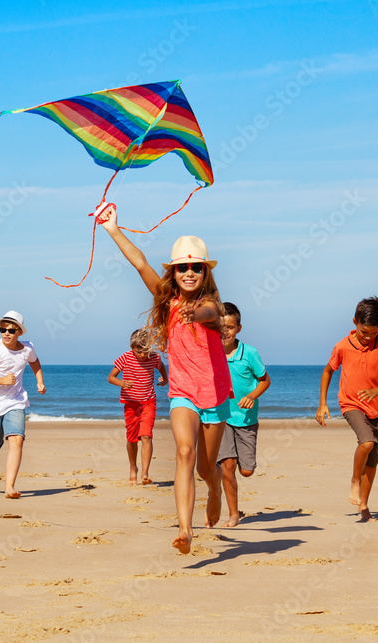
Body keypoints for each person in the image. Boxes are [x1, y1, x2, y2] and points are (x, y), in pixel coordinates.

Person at [100, 206, 232, 553]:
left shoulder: (212, 305)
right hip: (183, 392)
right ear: (173, 272)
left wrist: (196, 312)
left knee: (206, 468)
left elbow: (209, 312)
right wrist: (113, 229)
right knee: (184, 452)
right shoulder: (167, 300)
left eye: (196, 267)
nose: (189, 272)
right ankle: (186, 530)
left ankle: (215, 488)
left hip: (215, 394)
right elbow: (140, 263)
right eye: (182, 267)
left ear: (205, 271)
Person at [316, 297, 378, 522]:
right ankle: (354, 480)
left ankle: (364, 506)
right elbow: (327, 371)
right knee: (367, 442)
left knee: (372, 461)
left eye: (373, 332)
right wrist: (323, 403)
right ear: (355, 322)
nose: (368, 337)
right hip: (351, 403)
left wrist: (376, 391)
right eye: (364, 332)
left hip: (377, 409)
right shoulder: (343, 346)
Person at [0, 311, 46, 499]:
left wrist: (40, 381)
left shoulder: (27, 348)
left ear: (19, 332)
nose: (6, 333)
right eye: (3, 329)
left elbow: (34, 362)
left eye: (11, 330)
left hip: (15, 400)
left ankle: (9, 487)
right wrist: (2, 381)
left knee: (17, 439)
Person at [217, 302, 270, 527]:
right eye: (220, 326)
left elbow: (265, 381)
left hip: (246, 419)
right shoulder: (211, 352)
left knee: (246, 471)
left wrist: (252, 396)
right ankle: (233, 514)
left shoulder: (249, 353)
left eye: (230, 327)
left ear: (238, 328)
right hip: (221, 417)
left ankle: (236, 464)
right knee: (227, 466)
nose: (225, 331)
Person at [108, 328, 167, 485]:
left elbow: (161, 366)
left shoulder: (154, 357)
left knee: (146, 436)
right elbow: (111, 377)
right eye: (138, 351)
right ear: (131, 347)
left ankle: (145, 474)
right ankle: (133, 468)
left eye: (145, 351)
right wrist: (122, 383)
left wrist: (165, 379)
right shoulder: (125, 357)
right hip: (130, 404)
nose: (142, 355)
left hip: (149, 402)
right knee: (132, 439)